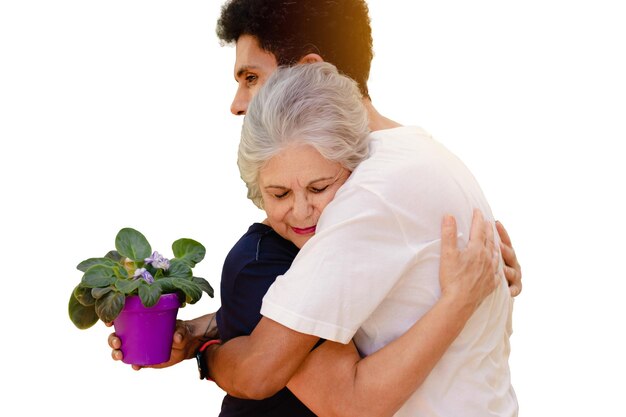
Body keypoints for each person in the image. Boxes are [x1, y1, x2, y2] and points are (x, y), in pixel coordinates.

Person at [109, 0, 522, 415]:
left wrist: (207, 356)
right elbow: (318, 307)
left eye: (252, 78)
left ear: (309, 71)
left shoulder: (368, 193)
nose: (237, 103)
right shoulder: (416, 155)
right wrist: (200, 331)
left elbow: (274, 373)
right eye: (282, 194)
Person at [211, 62, 500, 416]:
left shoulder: (367, 207)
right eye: (279, 194)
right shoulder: (262, 264)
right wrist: (207, 352)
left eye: (319, 188)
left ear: (354, 168)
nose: (302, 211)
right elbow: (343, 402)